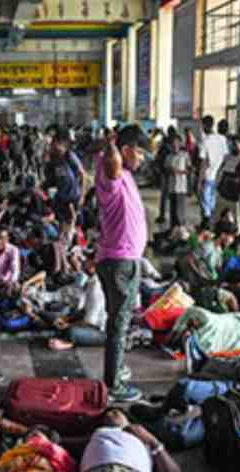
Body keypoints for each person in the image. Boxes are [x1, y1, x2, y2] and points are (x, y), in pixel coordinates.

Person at [95, 126, 150, 403]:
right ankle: (113, 384)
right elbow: (112, 162)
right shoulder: (111, 171)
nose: (141, 159)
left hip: (122, 258)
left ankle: (116, 369)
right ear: (125, 151)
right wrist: (112, 143)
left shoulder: (122, 172)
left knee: (119, 320)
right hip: (120, 261)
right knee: (119, 322)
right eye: (138, 152)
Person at [46, 257, 108, 351]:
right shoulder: (90, 282)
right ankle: (69, 338)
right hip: (89, 324)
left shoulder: (96, 287)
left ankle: (69, 343)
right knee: (57, 320)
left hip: (101, 333)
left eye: (85, 261)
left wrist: (68, 325)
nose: (82, 263)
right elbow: (84, 310)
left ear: (92, 265)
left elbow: (89, 322)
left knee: (71, 332)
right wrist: (66, 319)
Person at [199, 116, 229, 225]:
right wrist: (219, 171)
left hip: (207, 177)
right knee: (212, 203)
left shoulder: (205, 141)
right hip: (218, 177)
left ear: (205, 125)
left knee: (205, 204)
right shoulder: (222, 139)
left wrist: (199, 180)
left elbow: (204, 162)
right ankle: (211, 223)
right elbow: (225, 158)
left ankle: (206, 225)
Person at [165, 136, 191, 230]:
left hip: (181, 187)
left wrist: (180, 172)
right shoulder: (168, 156)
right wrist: (170, 171)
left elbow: (189, 169)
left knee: (180, 211)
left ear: (180, 144)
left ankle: (181, 229)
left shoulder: (185, 155)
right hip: (172, 187)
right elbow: (166, 170)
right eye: (172, 144)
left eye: (176, 143)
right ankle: (173, 230)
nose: (174, 146)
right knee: (173, 210)